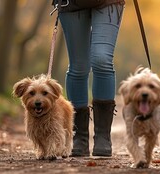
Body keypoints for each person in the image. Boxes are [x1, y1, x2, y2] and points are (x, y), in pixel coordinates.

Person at [52, 0, 125, 157]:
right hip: (71, 3)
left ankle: (103, 136)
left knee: (102, 60)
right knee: (78, 66)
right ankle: (80, 137)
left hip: (109, 2)